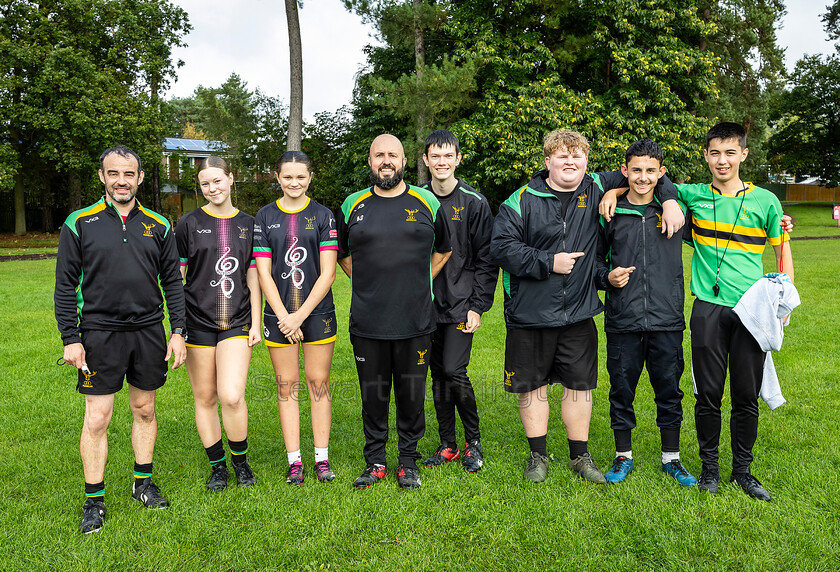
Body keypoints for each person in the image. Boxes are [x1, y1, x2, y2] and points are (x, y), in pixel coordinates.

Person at [603, 123, 793, 501]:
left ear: (743, 155)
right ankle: (709, 470)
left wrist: (783, 302)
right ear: (705, 156)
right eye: (714, 153)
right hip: (707, 308)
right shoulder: (691, 195)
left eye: (730, 153)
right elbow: (656, 180)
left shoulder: (767, 201)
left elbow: (781, 250)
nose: (722, 161)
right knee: (707, 394)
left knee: (746, 394)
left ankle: (743, 471)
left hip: (752, 308)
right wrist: (621, 189)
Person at [490, 130, 683, 484]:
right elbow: (501, 247)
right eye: (561, 156)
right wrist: (549, 261)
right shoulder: (520, 199)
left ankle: (579, 456)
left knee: (580, 387)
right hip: (529, 313)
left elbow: (649, 172)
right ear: (547, 161)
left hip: (578, 311)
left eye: (577, 156)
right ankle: (538, 456)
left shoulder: (595, 185)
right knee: (532, 389)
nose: (570, 162)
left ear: (586, 163)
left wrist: (669, 201)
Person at [55, 145, 186, 534]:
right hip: (98, 334)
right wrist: (70, 337)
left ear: (140, 177)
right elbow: (64, 287)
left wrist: (177, 331)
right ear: (102, 177)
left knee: (145, 409)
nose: (121, 180)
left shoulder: (159, 224)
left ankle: (142, 484)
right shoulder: (79, 222)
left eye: (129, 174)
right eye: (114, 173)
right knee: (97, 418)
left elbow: (173, 284)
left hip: (148, 331)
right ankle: (94, 500)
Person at [338, 134, 452, 490]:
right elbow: (341, 254)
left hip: (415, 321)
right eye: (379, 155)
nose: (386, 161)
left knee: (411, 394)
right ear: (370, 161)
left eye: (392, 155)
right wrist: (369, 282)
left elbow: (444, 250)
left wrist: (419, 281)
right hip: (368, 322)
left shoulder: (426, 201)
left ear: (404, 162)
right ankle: (375, 461)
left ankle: (407, 461)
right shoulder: (352, 205)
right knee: (373, 395)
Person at [594, 139, 697, 487]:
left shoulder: (676, 211)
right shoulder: (610, 212)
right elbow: (594, 259)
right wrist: (605, 277)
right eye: (635, 170)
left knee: (669, 389)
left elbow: (720, 224)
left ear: (661, 173)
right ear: (624, 171)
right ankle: (623, 456)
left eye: (650, 171)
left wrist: (780, 224)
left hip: (666, 317)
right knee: (621, 389)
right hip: (623, 318)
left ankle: (672, 458)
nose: (642, 177)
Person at [175, 156, 261, 491]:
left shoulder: (249, 224)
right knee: (206, 397)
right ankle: (218, 467)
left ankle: (241, 463)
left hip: (237, 320)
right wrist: (177, 329)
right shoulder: (188, 224)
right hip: (197, 322)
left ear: (231, 178)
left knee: (231, 395)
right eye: (205, 184)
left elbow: (253, 275)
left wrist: (255, 322)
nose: (212, 189)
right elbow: (177, 277)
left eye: (217, 181)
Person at [254, 151, 338, 485]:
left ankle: (321, 458)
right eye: (287, 177)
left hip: (317, 314)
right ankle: (294, 461)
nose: (294, 183)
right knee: (286, 386)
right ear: (277, 177)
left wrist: (299, 316)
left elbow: (329, 272)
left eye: (300, 177)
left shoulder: (323, 215)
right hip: (278, 314)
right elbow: (263, 274)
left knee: (319, 384)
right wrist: (283, 316)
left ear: (310, 177)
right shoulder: (264, 216)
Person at [419, 129, 496, 473]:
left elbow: (487, 259)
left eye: (448, 156)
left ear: (458, 159)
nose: (441, 162)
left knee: (454, 369)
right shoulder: (417, 200)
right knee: (437, 374)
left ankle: (473, 442)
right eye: (435, 156)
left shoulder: (474, 202)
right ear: (425, 160)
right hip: (425, 305)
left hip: (462, 303)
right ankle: (447, 443)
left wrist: (478, 306)